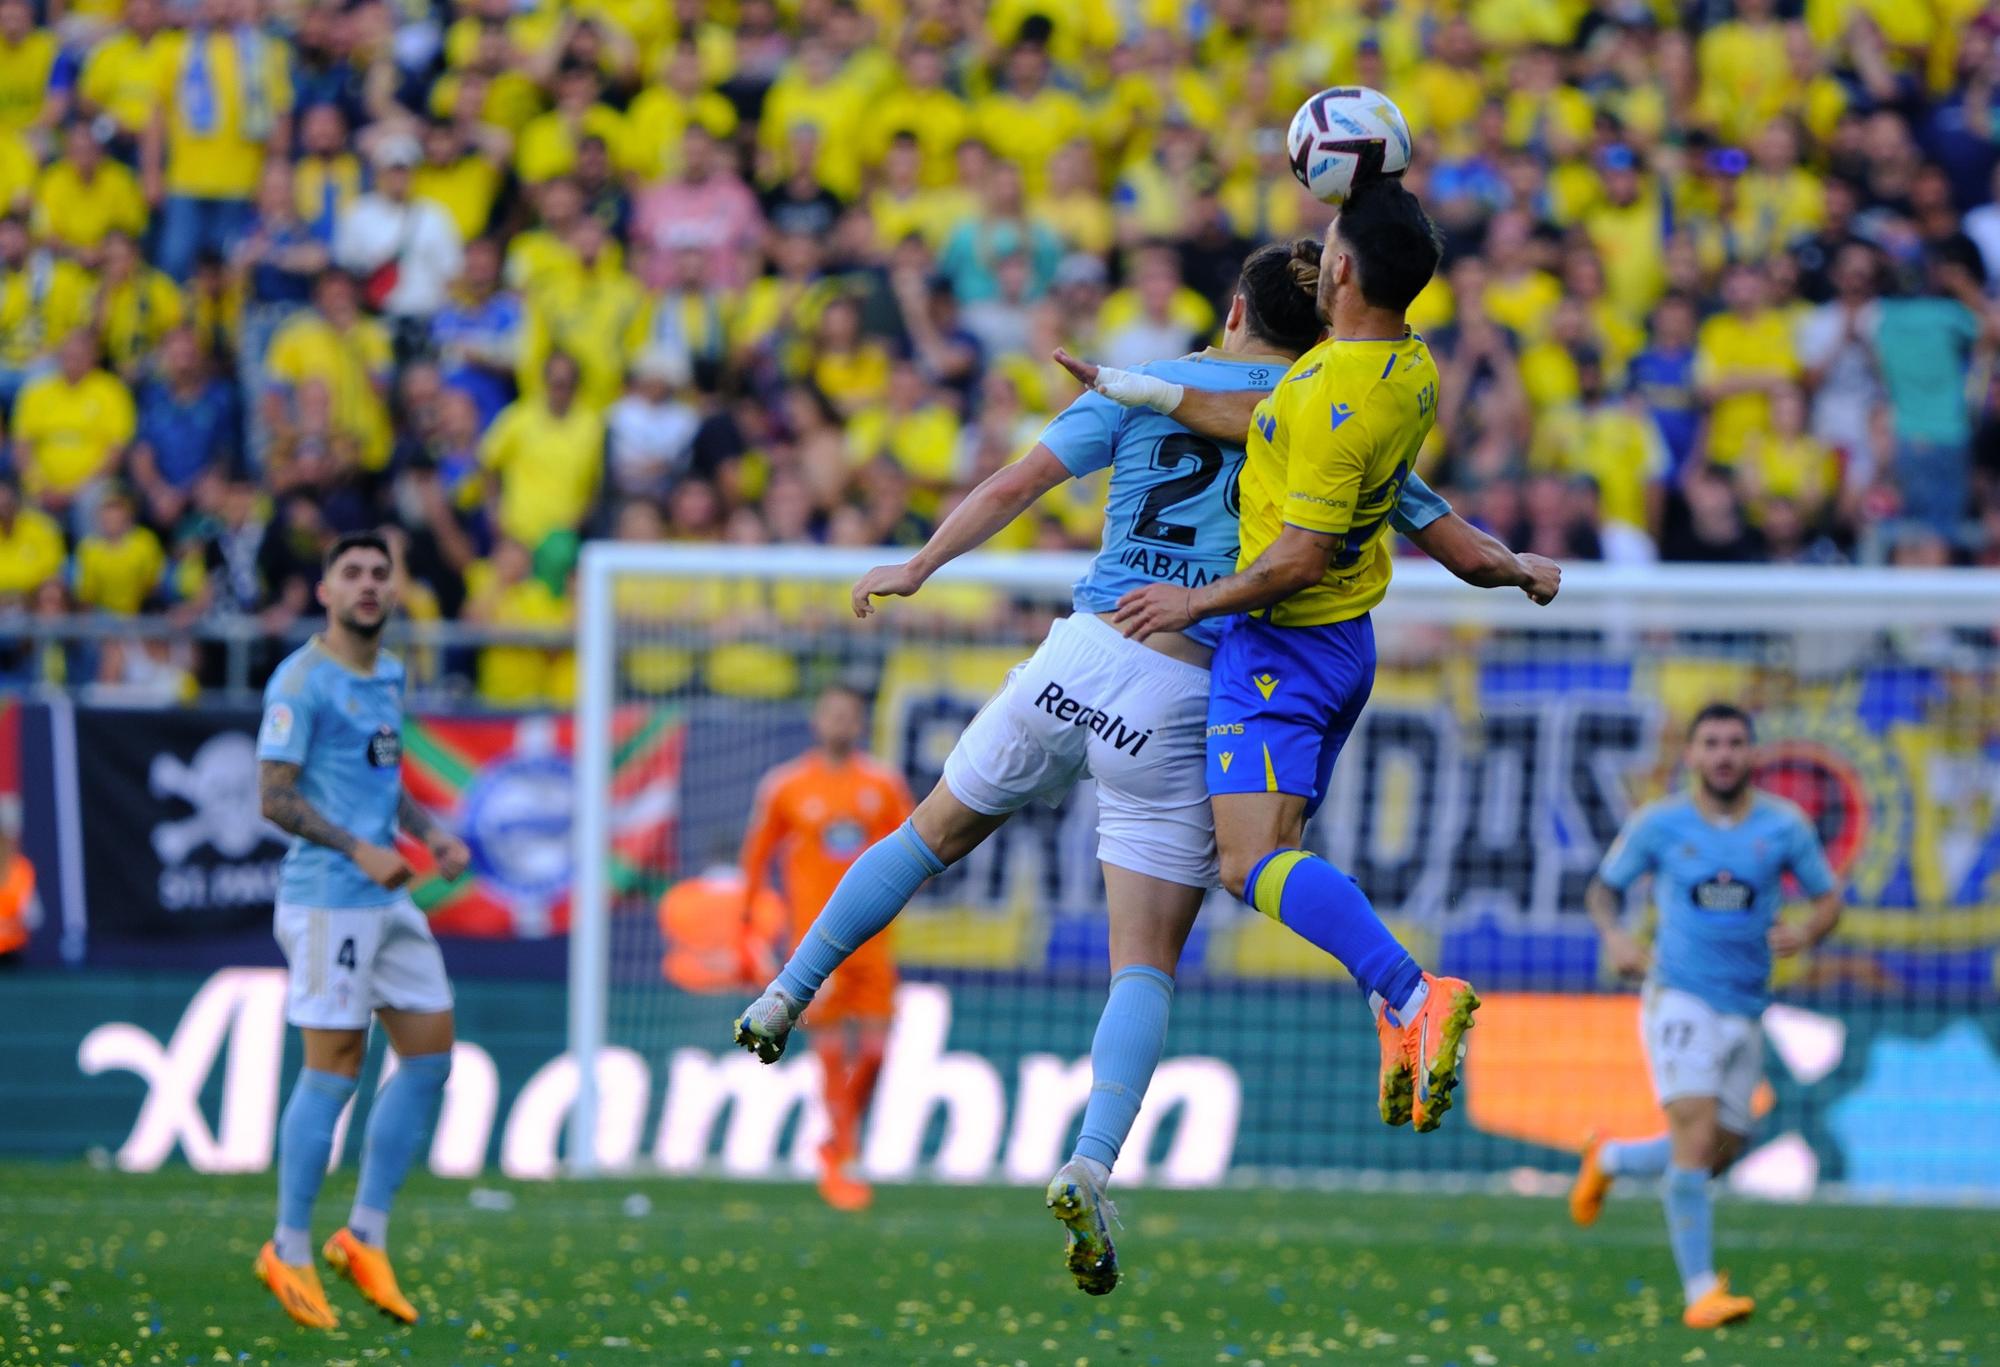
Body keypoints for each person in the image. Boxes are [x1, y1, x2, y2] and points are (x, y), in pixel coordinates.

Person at [735, 235, 1559, 1295]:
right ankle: (1088, 1158)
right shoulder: (1328, 412)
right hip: (1185, 687)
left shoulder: (1155, 388)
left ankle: (784, 992)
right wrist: (1520, 569)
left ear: (1230, 309)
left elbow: (1018, 480)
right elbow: (1454, 540)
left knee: (925, 833)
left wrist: (919, 562)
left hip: (1075, 651)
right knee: (1142, 960)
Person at [1053, 180, 1547, 1139]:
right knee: (1278, 846)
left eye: (1329, 242)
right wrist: (1510, 566)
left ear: (1350, 271)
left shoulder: (1324, 399)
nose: (1318, 255)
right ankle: (1392, 1007)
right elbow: (1322, 452)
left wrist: (1188, 599)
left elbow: (1296, 557)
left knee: (1250, 861)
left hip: (1280, 646)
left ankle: (1412, 991)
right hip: (1345, 645)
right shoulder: (1407, 370)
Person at [252, 531, 471, 1330]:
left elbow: (385, 771)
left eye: (380, 573)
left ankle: (363, 1234)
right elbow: (272, 797)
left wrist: (429, 832)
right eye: (352, 574)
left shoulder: (386, 671)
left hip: (386, 896)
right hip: (328, 899)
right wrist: (360, 849)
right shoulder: (300, 681)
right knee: (336, 1068)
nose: (369, 585)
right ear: (325, 592)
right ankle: (288, 1246)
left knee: (430, 1055)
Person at [1570, 703, 1841, 1331]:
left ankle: (1609, 1160)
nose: (1723, 754)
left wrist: (1807, 929)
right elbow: (1603, 890)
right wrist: (1614, 937)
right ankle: (1701, 1293)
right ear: (1691, 755)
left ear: (1752, 755)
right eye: (1711, 743)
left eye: (1735, 743)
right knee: (1693, 1134)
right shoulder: (1660, 824)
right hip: (1678, 995)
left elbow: (1829, 900)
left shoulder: (1785, 827)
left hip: (1746, 1005)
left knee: (1717, 1151)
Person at [738, 685, 914, 1212]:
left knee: (879, 1052)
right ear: (817, 720)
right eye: (831, 712)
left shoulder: (881, 785)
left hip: (874, 942)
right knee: (830, 1056)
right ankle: (844, 1156)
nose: (839, 722)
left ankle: (838, 1141)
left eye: (849, 715)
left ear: (860, 724)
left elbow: (913, 847)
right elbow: (758, 852)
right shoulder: (786, 785)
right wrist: (748, 919)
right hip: (816, 944)